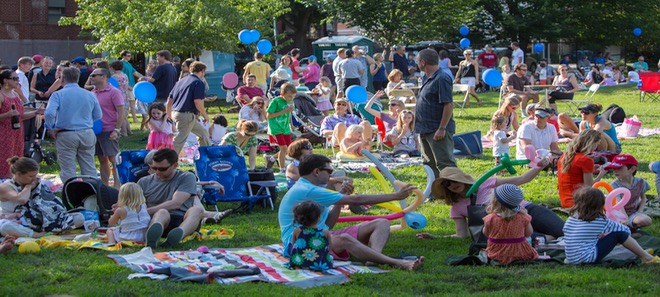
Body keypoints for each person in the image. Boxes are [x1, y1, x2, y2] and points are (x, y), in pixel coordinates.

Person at [279, 154, 424, 270]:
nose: (331, 175)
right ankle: (397, 263)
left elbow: (328, 225)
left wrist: (339, 200)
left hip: (317, 237)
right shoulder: (308, 189)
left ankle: (373, 258)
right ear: (316, 172)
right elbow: (358, 199)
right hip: (302, 243)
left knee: (382, 222)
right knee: (345, 239)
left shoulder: (312, 189)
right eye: (329, 171)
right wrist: (396, 196)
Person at [419, 166, 564, 240]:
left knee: (563, 232)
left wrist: (539, 166)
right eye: (447, 184)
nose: (453, 185)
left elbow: (521, 180)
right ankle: (546, 239)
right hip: (509, 228)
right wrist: (436, 237)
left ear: (463, 178)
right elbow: (461, 235)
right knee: (545, 239)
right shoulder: (457, 207)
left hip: (527, 211)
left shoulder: (485, 184)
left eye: (455, 180)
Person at [563, 187, 659, 264]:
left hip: (570, 259)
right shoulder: (600, 221)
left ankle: (643, 254)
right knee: (620, 235)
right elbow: (625, 231)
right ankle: (645, 257)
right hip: (587, 259)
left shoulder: (571, 219)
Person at [44, 67, 102, 182]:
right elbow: (98, 115)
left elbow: (49, 113)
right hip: (86, 131)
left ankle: (70, 193)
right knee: (89, 166)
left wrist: (51, 128)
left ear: (62, 79)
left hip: (66, 132)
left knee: (68, 168)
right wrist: (86, 121)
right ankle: (92, 193)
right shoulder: (90, 94)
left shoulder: (58, 95)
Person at [0, 157, 84, 233]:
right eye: (31, 176)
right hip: (17, 221)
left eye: (35, 175)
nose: (34, 179)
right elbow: (22, 199)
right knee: (6, 227)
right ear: (18, 174)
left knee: (79, 218)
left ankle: (49, 228)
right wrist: (28, 186)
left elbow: (48, 201)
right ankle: (35, 234)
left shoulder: (35, 183)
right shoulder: (5, 187)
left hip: (42, 219)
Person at [140, 148, 204, 248]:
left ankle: (179, 234)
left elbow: (176, 203)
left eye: (162, 169)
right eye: (154, 168)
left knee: (197, 210)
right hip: (156, 218)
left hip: (182, 218)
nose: (157, 172)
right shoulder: (144, 182)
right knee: (162, 212)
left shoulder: (186, 177)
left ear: (175, 165)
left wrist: (146, 211)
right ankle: (153, 235)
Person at [415, 48, 456, 177]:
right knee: (429, 163)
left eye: (417, 62)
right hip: (425, 128)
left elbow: (448, 104)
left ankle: (456, 194)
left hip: (437, 128)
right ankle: (435, 193)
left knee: (445, 163)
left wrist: (442, 128)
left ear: (423, 62)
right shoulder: (427, 78)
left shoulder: (441, 78)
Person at [483, 184, 538, 264]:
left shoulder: (490, 218)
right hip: (520, 253)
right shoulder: (523, 217)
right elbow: (529, 233)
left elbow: (486, 233)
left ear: (495, 201)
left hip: (496, 253)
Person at [0, 70, 39, 178]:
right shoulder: (1, 96)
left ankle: (15, 179)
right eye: (14, 79)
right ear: (5, 80)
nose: (18, 81)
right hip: (4, 133)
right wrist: (7, 114)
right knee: (5, 159)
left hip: (17, 131)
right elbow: (11, 114)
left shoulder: (15, 94)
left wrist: (36, 112)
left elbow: (20, 115)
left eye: (18, 79)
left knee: (17, 157)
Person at [90, 68, 124, 188]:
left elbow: (121, 112)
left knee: (113, 159)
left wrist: (117, 130)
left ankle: (117, 185)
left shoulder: (114, 92)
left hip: (109, 130)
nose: (91, 77)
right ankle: (104, 186)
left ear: (104, 77)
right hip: (96, 130)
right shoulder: (92, 92)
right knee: (102, 159)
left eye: (94, 75)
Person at [167, 61, 211, 155]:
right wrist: (205, 115)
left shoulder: (181, 81)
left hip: (177, 113)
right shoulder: (198, 82)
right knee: (179, 140)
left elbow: (169, 101)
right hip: (186, 115)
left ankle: (205, 157)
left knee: (203, 134)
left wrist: (169, 116)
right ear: (202, 71)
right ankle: (167, 160)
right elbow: (198, 102)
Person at [557, 129, 607, 208]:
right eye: (596, 144)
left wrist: (591, 169)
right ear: (591, 143)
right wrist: (601, 174)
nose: (596, 147)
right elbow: (589, 187)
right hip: (579, 203)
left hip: (564, 200)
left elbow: (573, 174)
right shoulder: (586, 160)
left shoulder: (564, 157)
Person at [606, 154, 653, 229]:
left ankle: (631, 226)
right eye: (614, 168)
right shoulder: (614, 185)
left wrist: (640, 212)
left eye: (619, 168)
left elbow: (643, 198)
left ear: (632, 169)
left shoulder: (641, 182)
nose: (615, 171)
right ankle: (627, 227)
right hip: (618, 214)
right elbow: (619, 203)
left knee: (646, 220)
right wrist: (625, 220)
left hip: (634, 213)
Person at [288, 200, 333, 271]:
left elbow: (293, 245)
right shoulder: (325, 232)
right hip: (319, 263)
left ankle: (299, 265)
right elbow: (330, 248)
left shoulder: (297, 230)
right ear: (318, 217)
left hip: (300, 263)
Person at [267, 83, 296, 173]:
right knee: (283, 149)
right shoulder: (275, 101)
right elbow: (269, 116)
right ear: (282, 94)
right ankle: (282, 169)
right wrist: (284, 111)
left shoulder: (290, 102)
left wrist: (291, 124)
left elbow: (289, 113)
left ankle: (272, 158)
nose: (291, 99)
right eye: (289, 96)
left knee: (288, 150)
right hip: (276, 128)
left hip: (285, 128)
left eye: (293, 97)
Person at [109, 61, 133, 136]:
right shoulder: (125, 75)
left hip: (118, 97)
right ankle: (129, 131)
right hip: (125, 96)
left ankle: (124, 133)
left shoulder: (114, 77)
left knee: (121, 116)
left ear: (113, 68)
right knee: (124, 116)